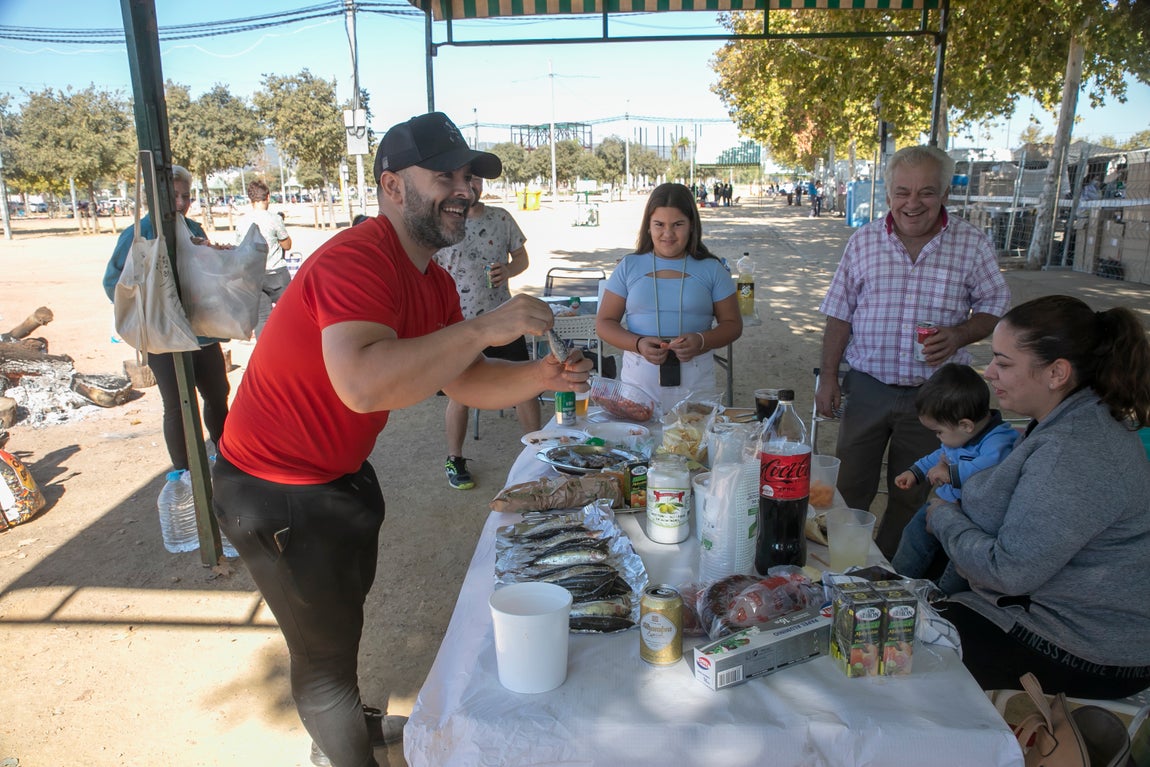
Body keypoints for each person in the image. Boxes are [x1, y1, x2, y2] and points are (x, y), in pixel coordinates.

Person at [210, 112, 591, 767]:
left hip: (337, 478)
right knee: (321, 660)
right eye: (444, 174)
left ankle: (343, 719)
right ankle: (339, 737)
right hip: (273, 490)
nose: (464, 189)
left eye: (469, 176)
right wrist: (484, 326)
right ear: (391, 186)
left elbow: (463, 378)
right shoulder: (356, 260)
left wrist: (541, 372)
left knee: (342, 620)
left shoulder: (434, 279)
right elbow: (362, 383)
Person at [929, 295, 1150, 699]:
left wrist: (943, 517)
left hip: (1091, 651)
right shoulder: (1071, 419)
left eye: (1004, 363)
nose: (990, 373)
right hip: (1070, 624)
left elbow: (1008, 571)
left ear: (1056, 373)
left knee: (895, 647)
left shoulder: (1073, 449)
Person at [815, 144, 1011, 558]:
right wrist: (829, 376)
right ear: (888, 195)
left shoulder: (971, 244)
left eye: (926, 191)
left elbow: (994, 306)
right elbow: (839, 314)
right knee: (850, 486)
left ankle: (887, 568)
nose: (913, 203)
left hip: (936, 397)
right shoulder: (864, 241)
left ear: (944, 194)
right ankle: (841, 563)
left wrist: (959, 334)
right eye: (903, 191)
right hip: (867, 388)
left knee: (916, 492)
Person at [102, 163, 230, 471]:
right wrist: (150, 305)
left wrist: (214, 255)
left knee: (218, 392)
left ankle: (227, 457)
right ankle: (185, 474)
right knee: (177, 407)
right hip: (162, 339)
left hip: (201, 332)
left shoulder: (193, 229)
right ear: (155, 197)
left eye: (186, 196)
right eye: (173, 196)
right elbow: (114, 285)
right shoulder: (138, 234)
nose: (181, 203)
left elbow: (204, 276)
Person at [596, 182, 743, 414]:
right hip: (639, 380)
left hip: (696, 379)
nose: (668, 234)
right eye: (659, 225)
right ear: (648, 227)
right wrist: (638, 344)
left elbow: (733, 325)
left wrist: (701, 341)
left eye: (677, 225)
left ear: (692, 226)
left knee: (693, 443)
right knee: (639, 444)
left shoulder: (712, 269)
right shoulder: (628, 266)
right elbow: (604, 323)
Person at [434, 175, 541, 490]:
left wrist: (509, 269)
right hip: (460, 326)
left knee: (526, 384)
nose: (470, 186)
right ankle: (455, 459)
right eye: (465, 179)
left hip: (504, 319)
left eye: (475, 180)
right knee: (460, 395)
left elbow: (521, 257)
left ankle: (536, 454)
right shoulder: (442, 223)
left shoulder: (501, 218)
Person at [889, 363, 1018, 595]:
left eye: (939, 432)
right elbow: (939, 456)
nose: (938, 437)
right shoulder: (957, 436)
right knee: (913, 534)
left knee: (958, 564)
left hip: (974, 519)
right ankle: (899, 581)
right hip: (943, 505)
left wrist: (951, 474)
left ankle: (941, 598)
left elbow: (989, 468)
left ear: (966, 425)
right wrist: (916, 472)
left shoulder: (998, 440)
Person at [235, 179, 292, 339]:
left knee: (262, 319)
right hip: (276, 273)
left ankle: (265, 351)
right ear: (268, 197)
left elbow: (239, 249)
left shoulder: (242, 221)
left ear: (250, 199)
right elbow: (286, 245)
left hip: (254, 276)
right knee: (289, 313)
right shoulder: (274, 219)